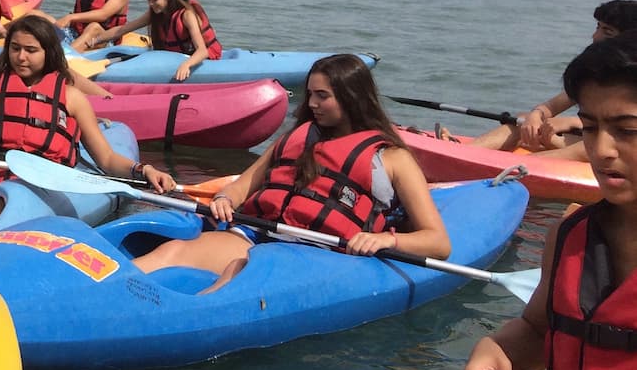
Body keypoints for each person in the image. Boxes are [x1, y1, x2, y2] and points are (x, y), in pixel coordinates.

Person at [133, 53, 450, 292]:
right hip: (259, 233)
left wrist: (384, 240)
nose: (311, 103)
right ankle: (105, 291)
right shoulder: (297, 138)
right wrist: (225, 200)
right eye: (310, 94)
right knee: (173, 251)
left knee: (238, 273)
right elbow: (242, 187)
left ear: (351, 99)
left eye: (322, 96)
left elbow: (438, 242)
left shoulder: (392, 158)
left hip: (318, 252)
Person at [462, 35, 637, 370]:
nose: (601, 150)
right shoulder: (569, 235)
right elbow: (540, 329)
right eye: (590, 127)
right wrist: (498, 348)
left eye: (627, 130)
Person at [0, 15, 175, 228]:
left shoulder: (72, 97)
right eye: (15, 48)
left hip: (37, 187)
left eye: (31, 50)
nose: (21, 57)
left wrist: (145, 170)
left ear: (48, 53)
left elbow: (107, 159)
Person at [468, 0, 637, 154]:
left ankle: (515, 168)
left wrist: (571, 122)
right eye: (597, 27)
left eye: (607, 32)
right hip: (581, 137)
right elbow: (551, 106)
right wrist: (536, 116)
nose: (595, 37)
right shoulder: (593, 72)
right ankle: (466, 152)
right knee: (524, 120)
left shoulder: (630, 76)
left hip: (610, 144)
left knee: (587, 145)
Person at [89, 0, 223, 81]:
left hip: (201, 59)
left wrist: (186, 65)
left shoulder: (186, 15)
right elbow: (122, 30)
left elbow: (202, 51)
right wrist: (96, 40)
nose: (151, 4)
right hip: (172, 57)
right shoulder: (155, 14)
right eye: (149, 0)